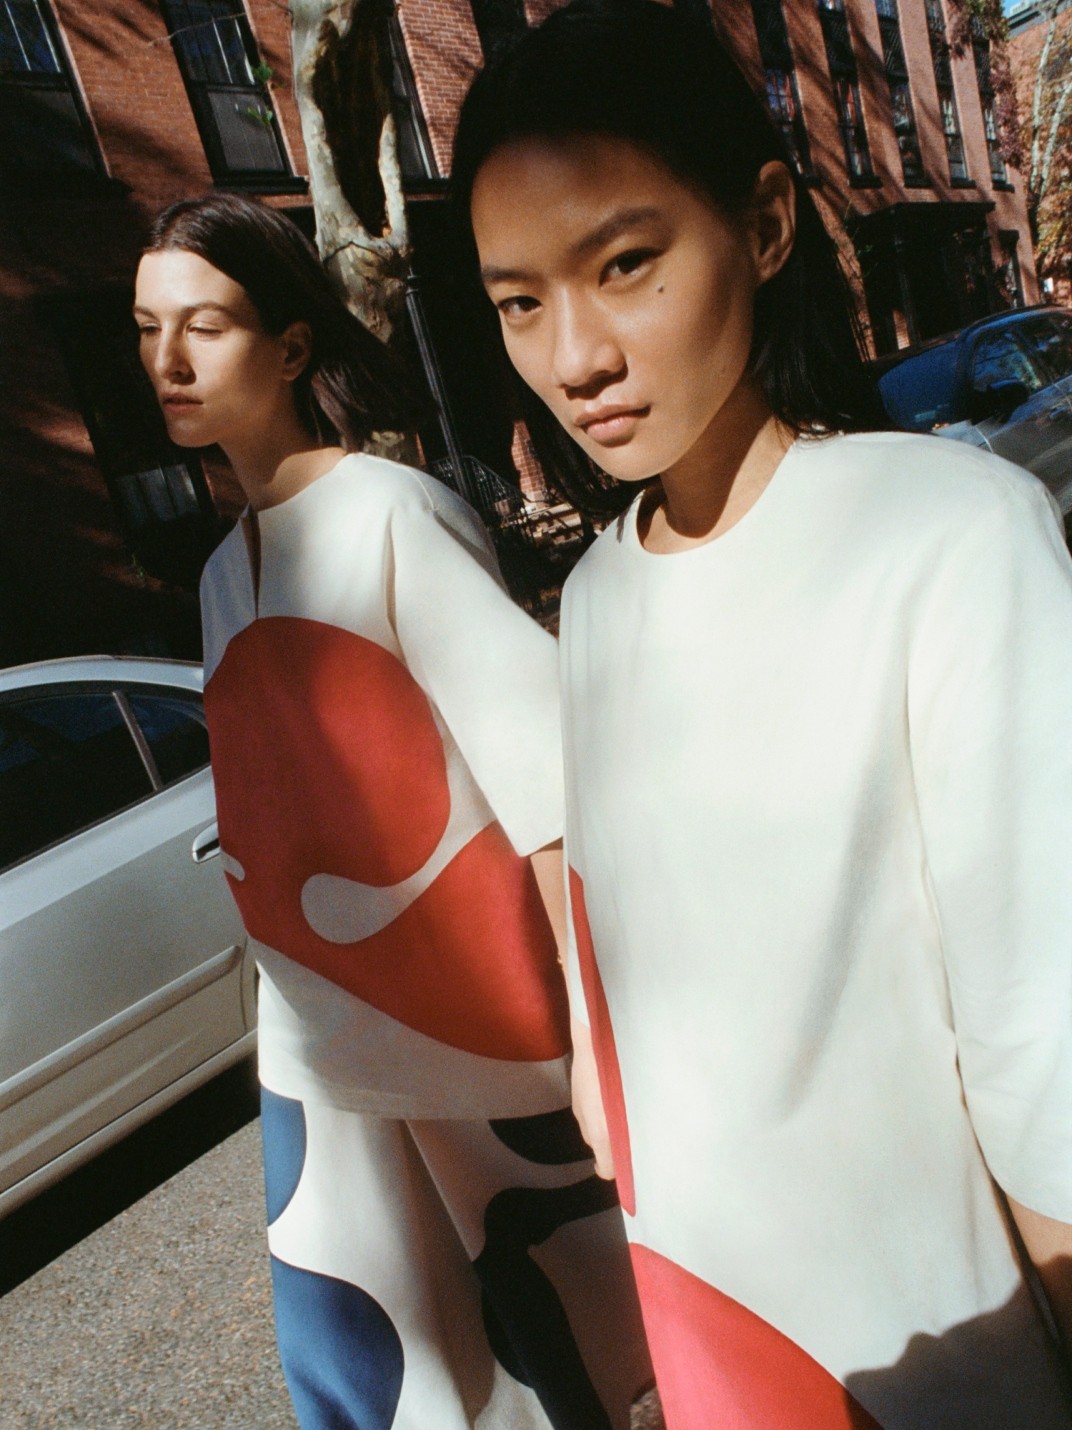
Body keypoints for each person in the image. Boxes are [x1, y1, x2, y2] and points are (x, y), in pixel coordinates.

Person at [451, 3, 1072, 1427]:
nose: (575, 355)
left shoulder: (949, 534)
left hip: (947, 1352)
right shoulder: (595, 599)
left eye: (624, 263)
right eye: (519, 302)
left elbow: (1045, 1034)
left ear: (769, 222)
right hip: (713, 1319)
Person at [133, 191, 651, 1430]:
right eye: (147, 328)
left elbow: (544, 781)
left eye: (204, 323)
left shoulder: (389, 510)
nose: (167, 359)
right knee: (371, 1368)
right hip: (320, 1044)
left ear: (290, 346)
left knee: (576, 1347)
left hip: (476, 1032)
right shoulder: (220, 572)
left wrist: (593, 1031)